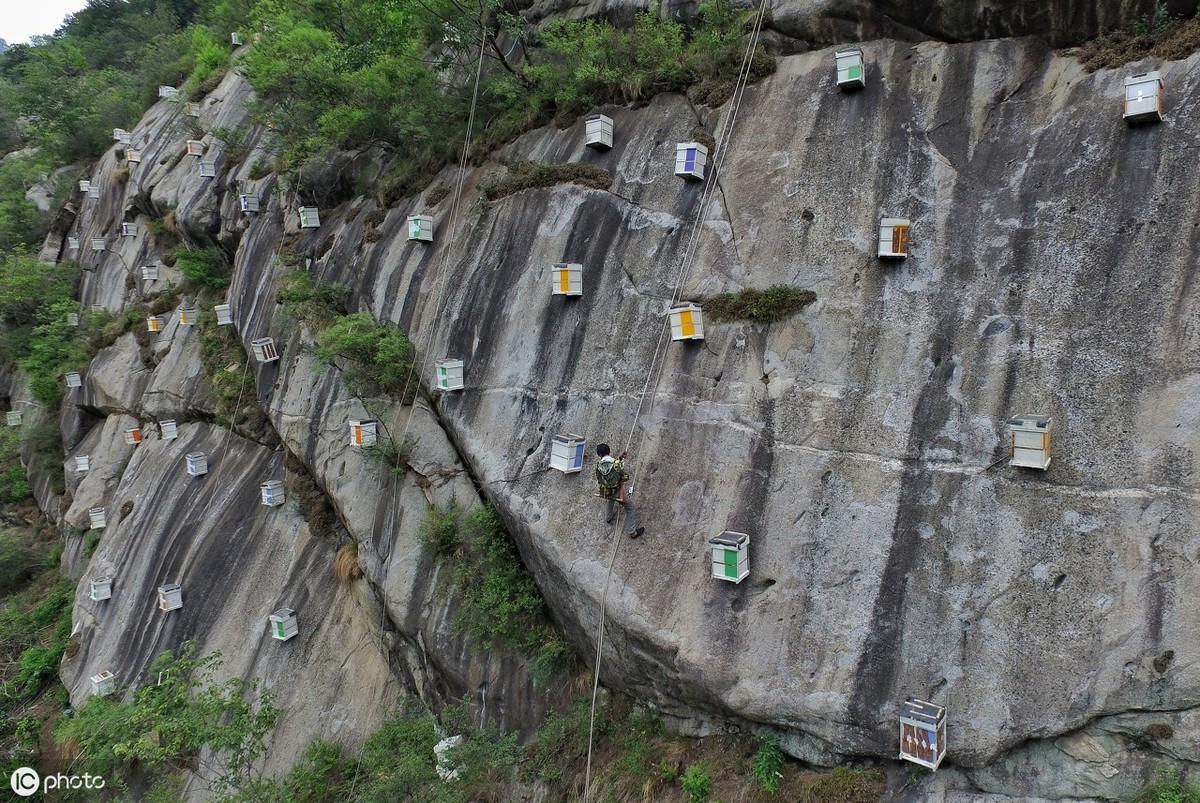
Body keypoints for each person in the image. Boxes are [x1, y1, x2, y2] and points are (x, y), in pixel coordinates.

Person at [595, 443, 644, 539]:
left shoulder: (599, 465)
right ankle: (632, 532)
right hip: (617, 491)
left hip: (605, 491)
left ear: (599, 454)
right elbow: (622, 474)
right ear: (609, 451)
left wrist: (620, 458)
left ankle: (608, 518)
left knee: (610, 500)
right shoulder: (615, 462)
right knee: (630, 507)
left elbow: (600, 478)